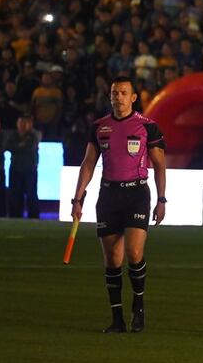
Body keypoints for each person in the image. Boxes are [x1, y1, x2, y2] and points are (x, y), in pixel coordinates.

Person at [71, 76, 166, 333]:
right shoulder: (99, 126)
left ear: (133, 98)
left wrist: (161, 199)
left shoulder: (148, 127)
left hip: (136, 194)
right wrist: (78, 197)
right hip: (108, 196)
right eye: (114, 93)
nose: (118, 97)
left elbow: (159, 165)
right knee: (113, 259)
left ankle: (139, 305)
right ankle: (117, 319)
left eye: (123, 93)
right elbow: (88, 163)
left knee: (134, 253)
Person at [8, 115, 41, 219]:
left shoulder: (32, 136)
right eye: (20, 123)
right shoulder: (13, 135)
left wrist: (18, 147)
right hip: (15, 169)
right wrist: (20, 146)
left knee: (31, 194)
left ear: (27, 125)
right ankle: (16, 216)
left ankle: (34, 217)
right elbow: (8, 146)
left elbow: (30, 148)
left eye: (24, 123)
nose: (22, 125)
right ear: (17, 124)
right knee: (16, 195)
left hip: (29, 169)